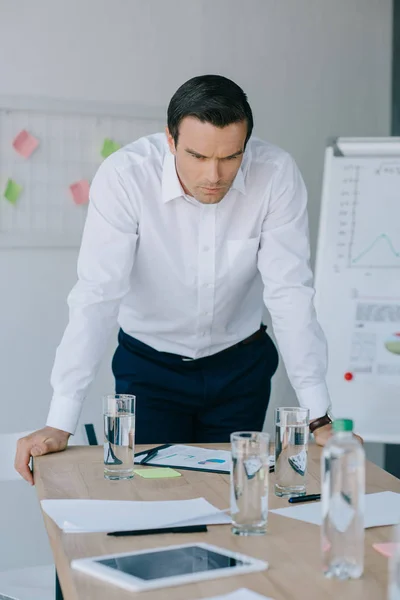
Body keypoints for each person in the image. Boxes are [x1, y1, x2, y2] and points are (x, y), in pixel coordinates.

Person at [16, 74, 340, 485]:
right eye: (198, 156)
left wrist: (318, 416)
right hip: (150, 369)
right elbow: (97, 296)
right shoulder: (125, 177)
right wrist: (60, 420)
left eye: (231, 157)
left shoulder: (276, 174)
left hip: (240, 368)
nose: (215, 175)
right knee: (154, 510)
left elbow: (290, 292)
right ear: (170, 140)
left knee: (236, 502)